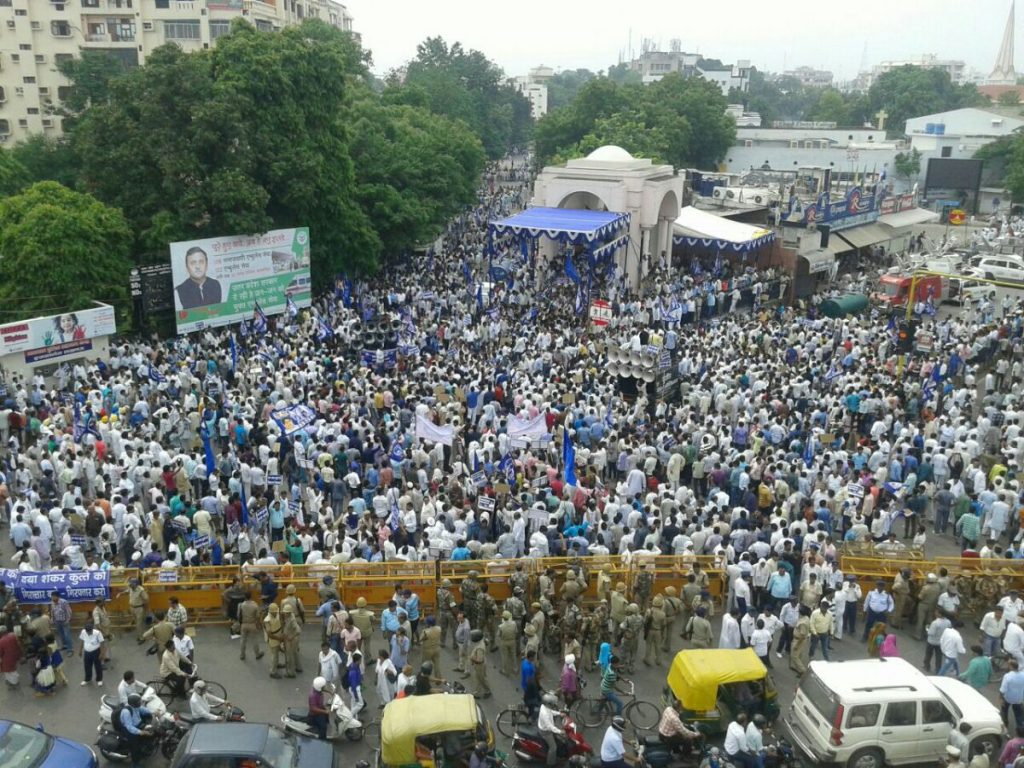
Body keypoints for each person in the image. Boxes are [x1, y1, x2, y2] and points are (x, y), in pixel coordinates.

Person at [120, 692, 154, 768]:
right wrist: (140, 732)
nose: (140, 703)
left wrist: (154, 712)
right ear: (133, 704)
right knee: (135, 748)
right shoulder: (126, 712)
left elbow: (144, 710)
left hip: (138, 724)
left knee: (150, 731)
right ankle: (135, 763)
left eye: (140, 701)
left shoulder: (136, 706)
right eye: (138, 702)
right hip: (130, 730)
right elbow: (129, 727)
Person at [538, 692, 563, 767]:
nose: (554, 705)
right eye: (553, 703)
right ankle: (550, 763)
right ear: (549, 704)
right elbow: (550, 727)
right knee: (553, 748)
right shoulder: (544, 713)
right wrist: (560, 731)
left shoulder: (544, 706)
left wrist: (559, 713)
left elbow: (551, 712)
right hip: (546, 732)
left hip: (544, 727)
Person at [78, 621, 106, 686]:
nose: (88, 633)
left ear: (92, 629)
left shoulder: (98, 633)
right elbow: (82, 641)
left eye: (90, 631)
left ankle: (99, 679)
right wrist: (80, 650)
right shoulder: (83, 632)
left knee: (98, 666)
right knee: (87, 666)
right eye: (87, 631)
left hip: (96, 651)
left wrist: (102, 653)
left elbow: (102, 643)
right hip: (87, 652)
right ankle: (87, 679)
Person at [1001, 661, 1024, 732]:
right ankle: (1020, 730)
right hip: (1019, 699)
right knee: (1019, 715)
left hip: (1008, 698)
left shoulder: (1007, 676)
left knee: (1004, 711)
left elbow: (1003, 689)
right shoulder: (1023, 675)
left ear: (1011, 666)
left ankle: (1005, 726)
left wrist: (1000, 698)